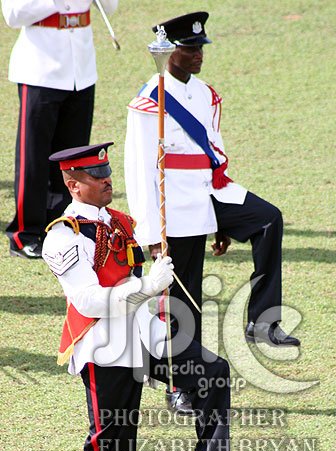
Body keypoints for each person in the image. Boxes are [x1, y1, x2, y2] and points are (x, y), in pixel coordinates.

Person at [42, 142, 248, 451]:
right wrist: (148, 287)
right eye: (96, 176)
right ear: (73, 184)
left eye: (107, 172)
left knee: (212, 372)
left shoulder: (120, 222)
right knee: (112, 444)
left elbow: (132, 270)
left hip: (145, 334)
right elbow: (89, 300)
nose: (107, 180)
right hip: (106, 347)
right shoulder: (62, 237)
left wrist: (155, 268)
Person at [124, 11, 301, 411]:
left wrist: (220, 220)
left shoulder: (206, 94)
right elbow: (138, 171)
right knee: (183, 301)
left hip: (209, 192)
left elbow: (212, 152)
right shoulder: (149, 101)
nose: (198, 55)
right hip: (173, 206)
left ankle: (262, 321)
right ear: (169, 52)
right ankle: (180, 387)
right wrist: (151, 235)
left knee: (267, 218)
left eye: (200, 48)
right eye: (189, 49)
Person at [2, 0, 118, 259]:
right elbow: (12, 15)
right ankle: (25, 234)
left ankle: (62, 225)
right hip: (40, 69)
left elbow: (109, 7)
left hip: (81, 69)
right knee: (33, 158)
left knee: (72, 159)